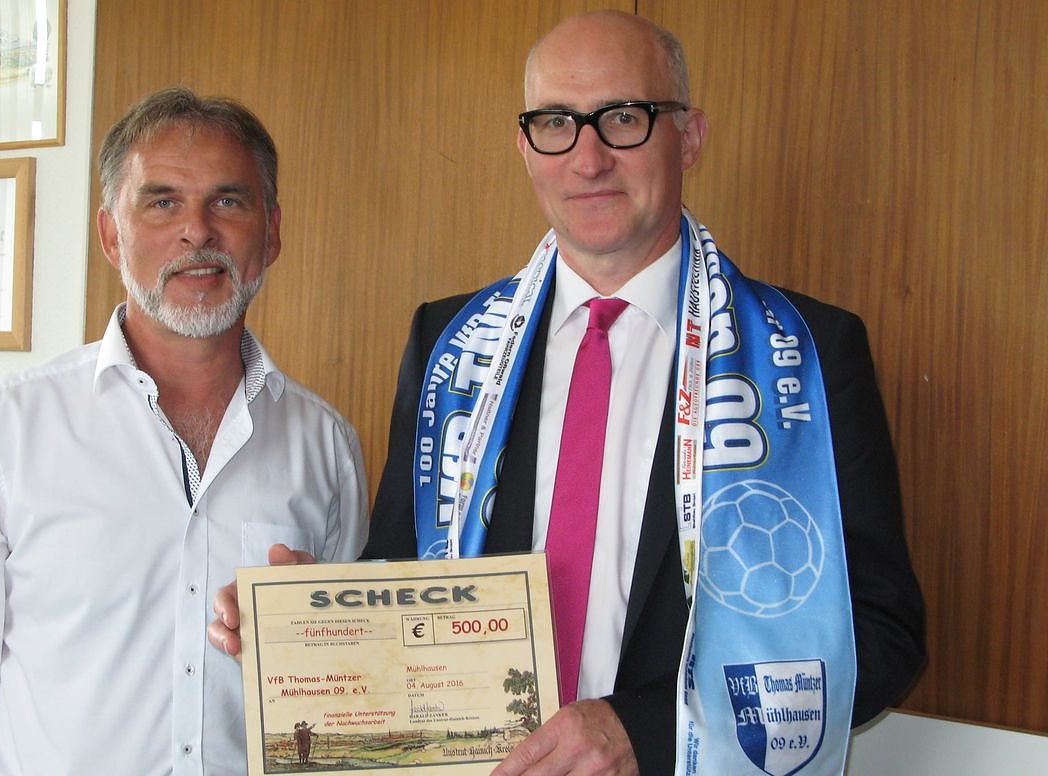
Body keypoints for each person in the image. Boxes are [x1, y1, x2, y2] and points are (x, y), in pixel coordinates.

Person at [212, 11, 925, 774]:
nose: (589, 159)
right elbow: (407, 578)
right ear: (526, 147)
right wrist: (315, 621)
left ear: (688, 137)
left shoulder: (806, 352)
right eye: (556, 122)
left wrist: (646, 732)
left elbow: (881, 636)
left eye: (624, 117)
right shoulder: (452, 345)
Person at [0, 87, 369, 776]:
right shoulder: (1, 431)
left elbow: (346, 691)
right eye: (162, 202)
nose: (197, 232)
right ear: (111, 235)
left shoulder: (326, 446)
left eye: (229, 201)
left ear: (272, 233)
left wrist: (323, 631)